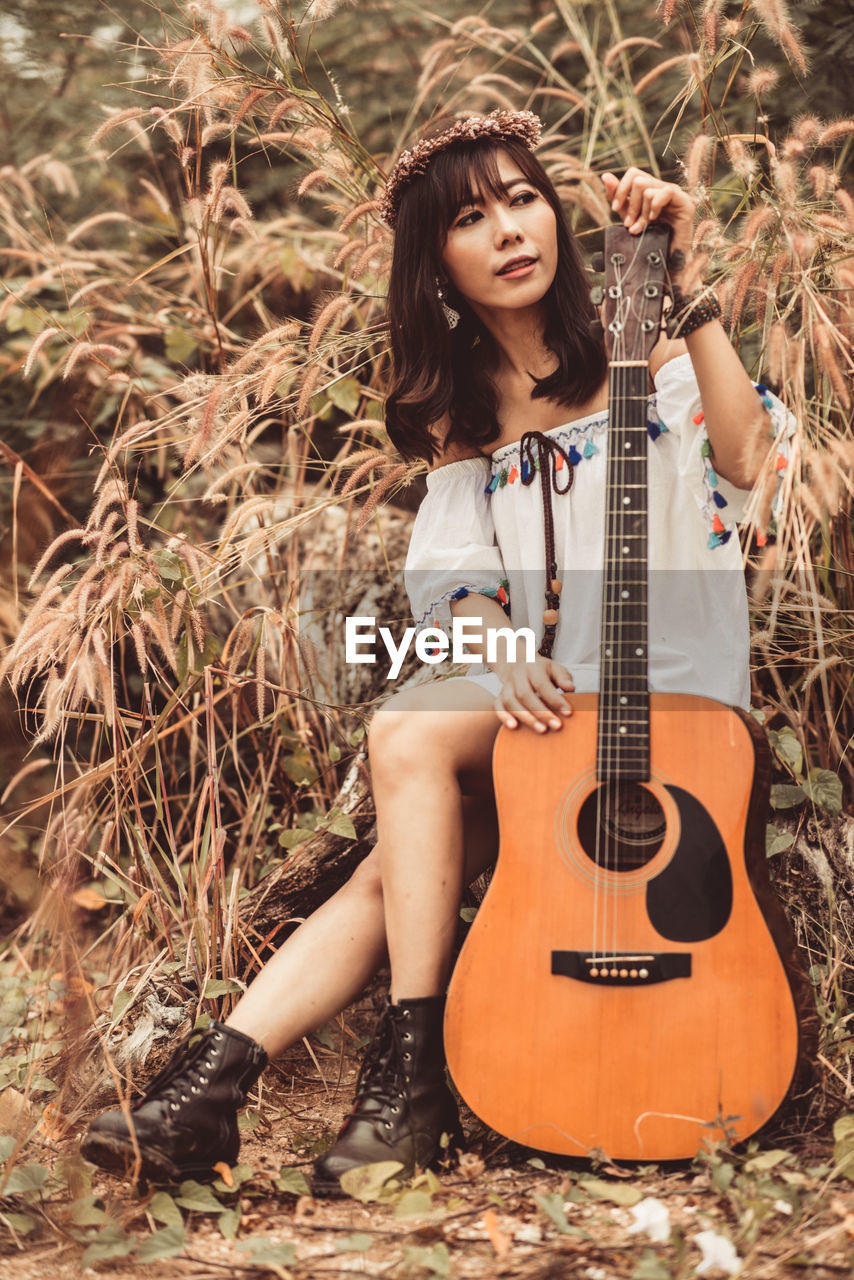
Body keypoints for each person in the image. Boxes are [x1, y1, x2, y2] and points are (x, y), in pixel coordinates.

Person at [81, 110, 787, 1195]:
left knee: (399, 789)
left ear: (556, 211)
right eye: (470, 215)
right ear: (437, 263)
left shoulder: (644, 349)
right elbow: (451, 577)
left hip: (672, 714)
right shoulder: (463, 407)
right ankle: (223, 1092)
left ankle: (363, 1087)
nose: (509, 228)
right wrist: (499, 650)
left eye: (521, 197)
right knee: (406, 760)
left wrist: (685, 293)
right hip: (549, 705)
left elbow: (747, 463)